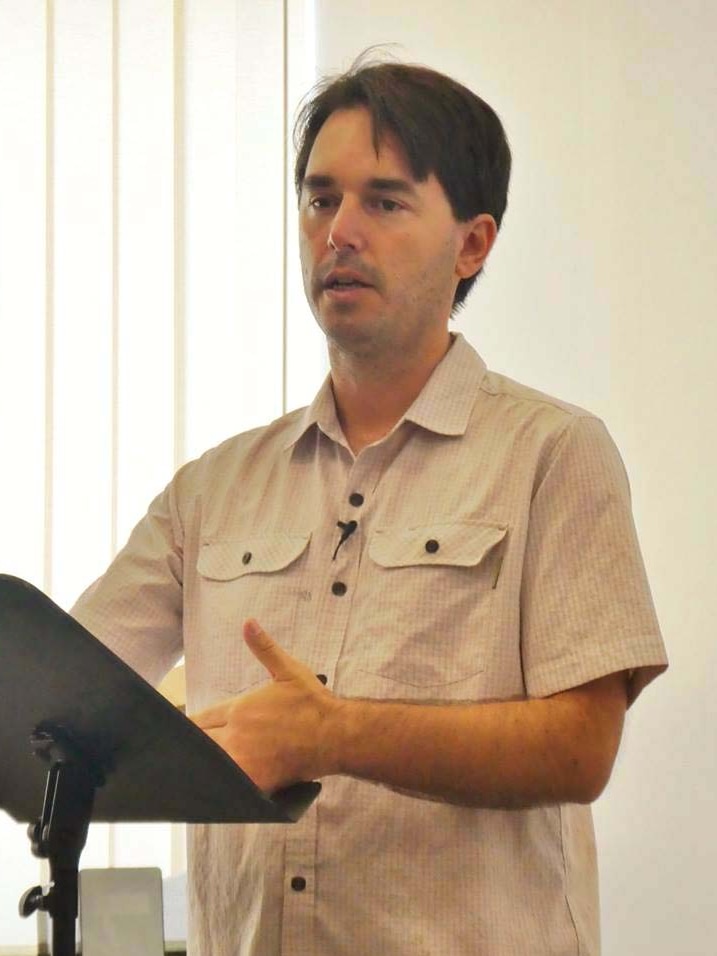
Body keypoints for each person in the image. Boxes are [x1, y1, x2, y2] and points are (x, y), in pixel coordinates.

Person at [71, 57, 668, 956]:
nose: (338, 232)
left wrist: (334, 735)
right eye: (319, 199)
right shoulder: (213, 487)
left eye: (383, 202)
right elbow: (63, 690)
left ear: (472, 244)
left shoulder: (553, 454)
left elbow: (581, 748)